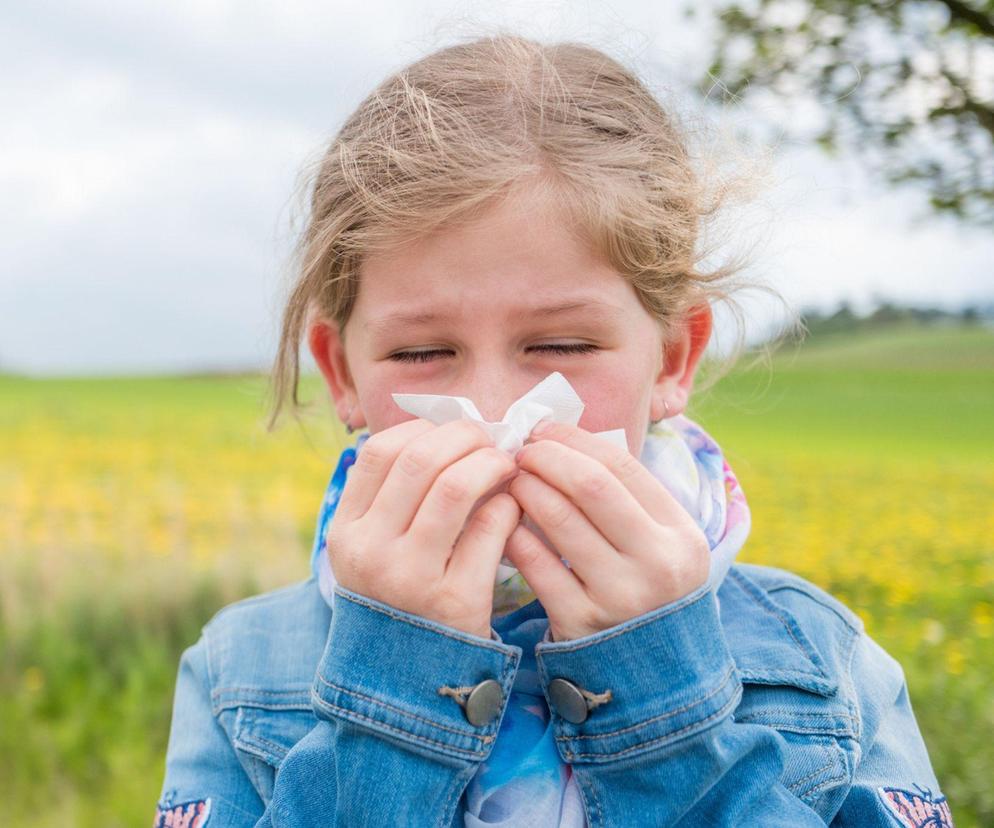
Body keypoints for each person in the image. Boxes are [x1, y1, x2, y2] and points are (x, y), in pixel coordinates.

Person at [156, 34, 953, 828]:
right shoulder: (241, 669)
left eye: (562, 346)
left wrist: (660, 702)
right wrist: (398, 681)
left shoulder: (821, 659)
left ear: (673, 357)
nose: (496, 414)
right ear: (343, 374)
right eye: (423, 352)